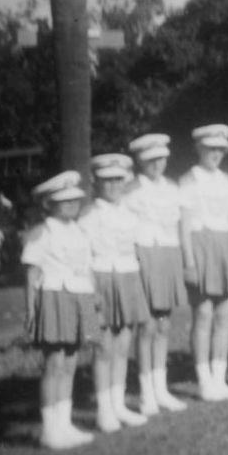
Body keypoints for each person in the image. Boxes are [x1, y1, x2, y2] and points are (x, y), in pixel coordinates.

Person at [21, 171, 99, 449]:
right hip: (53, 297)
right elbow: (31, 274)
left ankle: (64, 424)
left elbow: (86, 269)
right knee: (53, 364)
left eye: (75, 200)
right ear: (48, 204)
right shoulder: (41, 232)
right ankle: (50, 429)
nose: (71, 205)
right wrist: (31, 309)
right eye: (63, 201)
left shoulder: (80, 230)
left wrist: (93, 301)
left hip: (77, 297)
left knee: (70, 361)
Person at [79, 154, 151, 432]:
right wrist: (91, 291)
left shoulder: (130, 214)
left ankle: (118, 404)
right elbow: (83, 258)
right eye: (106, 181)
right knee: (104, 347)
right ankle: (104, 410)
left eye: (118, 180)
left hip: (127, 277)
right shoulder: (89, 216)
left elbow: (136, 250)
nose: (113, 186)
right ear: (97, 183)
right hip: (101, 279)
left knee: (123, 344)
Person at [180, 124, 228, 401]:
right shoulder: (188, 181)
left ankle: (220, 378)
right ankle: (204, 379)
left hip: (226, 247)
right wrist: (189, 262)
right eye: (211, 149)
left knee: (225, 313)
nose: (216, 154)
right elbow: (184, 226)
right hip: (200, 246)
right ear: (199, 149)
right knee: (204, 313)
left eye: (220, 150)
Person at [124, 134, 188, 414]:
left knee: (163, 324)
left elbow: (177, 226)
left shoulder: (173, 188)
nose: (157, 165)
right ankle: (146, 392)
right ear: (140, 161)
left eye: (161, 159)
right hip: (143, 256)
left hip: (168, 255)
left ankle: (161, 389)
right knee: (147, 326)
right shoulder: (131, 190)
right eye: (150, 160)